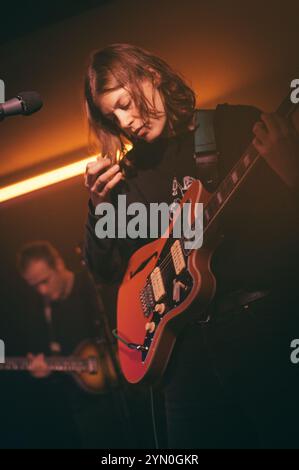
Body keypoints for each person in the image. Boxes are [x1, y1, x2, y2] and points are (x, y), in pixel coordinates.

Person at [83, 43, 299, 448]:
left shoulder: (235, 126)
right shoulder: (125, 181)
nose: (126, 121)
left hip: (262, 332)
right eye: (114, 116)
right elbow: (106, 271)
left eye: (126, 102)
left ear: (152, 75)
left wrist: (294, 172)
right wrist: (98, 211)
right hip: (183, 357)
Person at [16, 240, 128, 448]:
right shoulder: (45, 314)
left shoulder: (93, 286)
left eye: (44, 281)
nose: (42, 290)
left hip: (127, 395)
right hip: (89, 412)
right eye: (35, 286)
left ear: (58, 264)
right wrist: (47, 373)